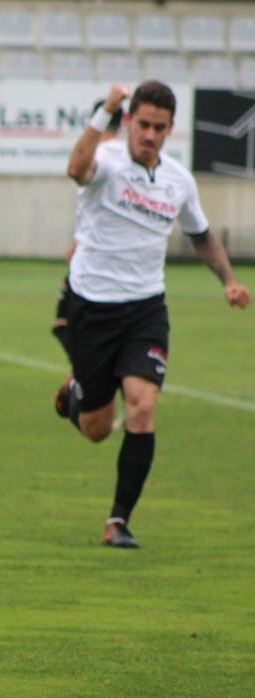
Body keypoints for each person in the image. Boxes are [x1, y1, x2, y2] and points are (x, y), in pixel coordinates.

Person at [54, 81, 250, 549]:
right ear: (128, 123)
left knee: (142, 407)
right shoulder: (107, 162)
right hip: (93, 306)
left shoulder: (179, 180)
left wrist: (228, 281)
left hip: (146, 309)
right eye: (143, 124)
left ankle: (118, 521)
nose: (150, 135)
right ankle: (77, 392)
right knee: (97, 430)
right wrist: (102, 111)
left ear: (170, 130)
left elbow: (201, 235)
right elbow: (75, 168)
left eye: (160, 128)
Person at [51, 99, 123, 355]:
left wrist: (79, 244)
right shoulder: (124, 158)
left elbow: (76, 169)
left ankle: (82, 383)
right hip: (111, 266)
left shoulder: (99, 157)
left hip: (96, 268)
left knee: (66, 327)